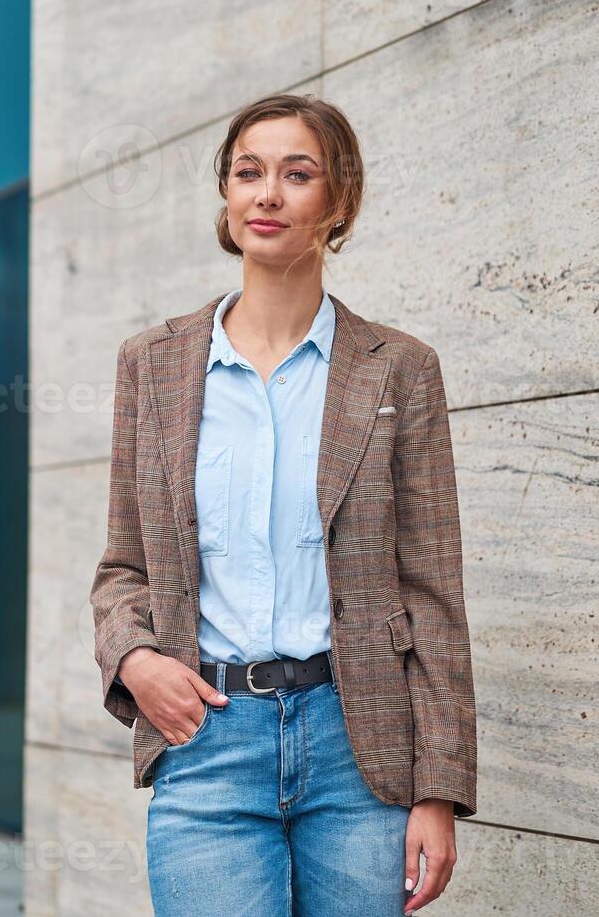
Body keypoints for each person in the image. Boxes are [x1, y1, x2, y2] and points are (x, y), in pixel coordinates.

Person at [90, 93, 477, 916]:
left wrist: (437, 789)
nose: (268, 194)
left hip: (358, 746)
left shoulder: (399, 369)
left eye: (297, 175)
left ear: (338, 203)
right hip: (208, 740)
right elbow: (124, 565)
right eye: (248, 172)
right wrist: (135, 659)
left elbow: (433, 591)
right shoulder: (151, 367)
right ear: (227, 199)